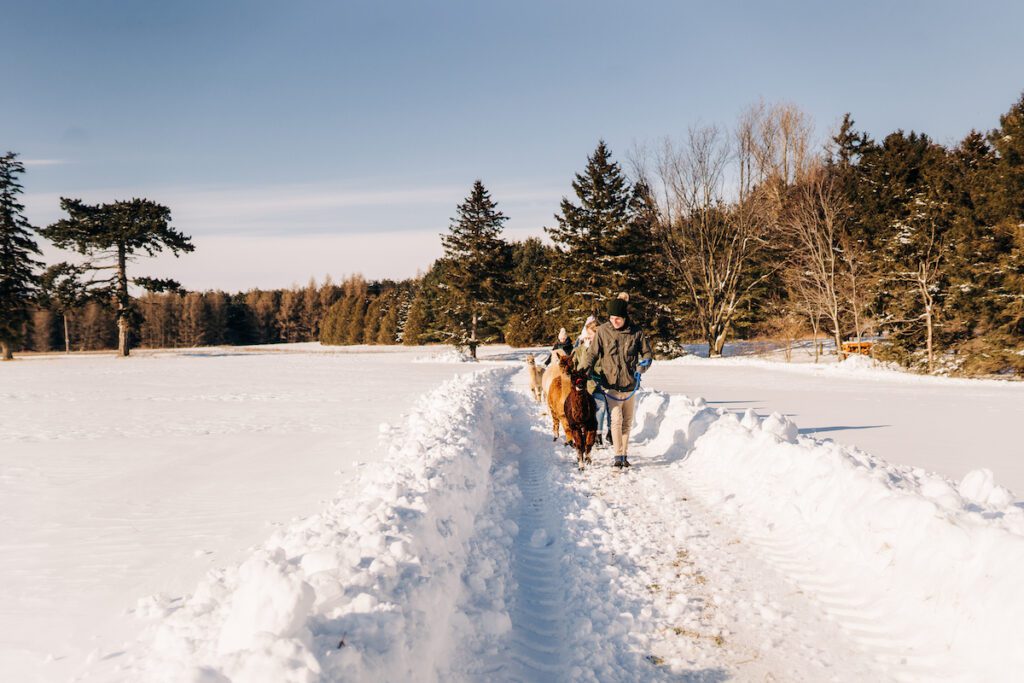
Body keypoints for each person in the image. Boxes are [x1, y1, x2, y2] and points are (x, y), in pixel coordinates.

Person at [583, 293, 653, 468]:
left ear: (625, 317)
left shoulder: (636, 332)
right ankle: (617, 455)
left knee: (627, 421)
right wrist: (586, 370)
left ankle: (624, 454)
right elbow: (592, 354)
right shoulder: (602, 332)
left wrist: (642, 366)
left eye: (618, 319)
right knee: (615, 419)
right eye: (612, 318)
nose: (615, 321)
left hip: (630, 383)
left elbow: (647, 354)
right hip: (610, 384)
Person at [572, 316, 611, 447]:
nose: (588, 337)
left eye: (591, 335)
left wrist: (598, 374)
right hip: (583, 388)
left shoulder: (604, 349)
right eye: (587, 334)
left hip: (599, 385)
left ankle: (598, 435)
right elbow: (580, 369)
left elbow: (606, 366)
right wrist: (586, 351)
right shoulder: (579, 350)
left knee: (600, 406)